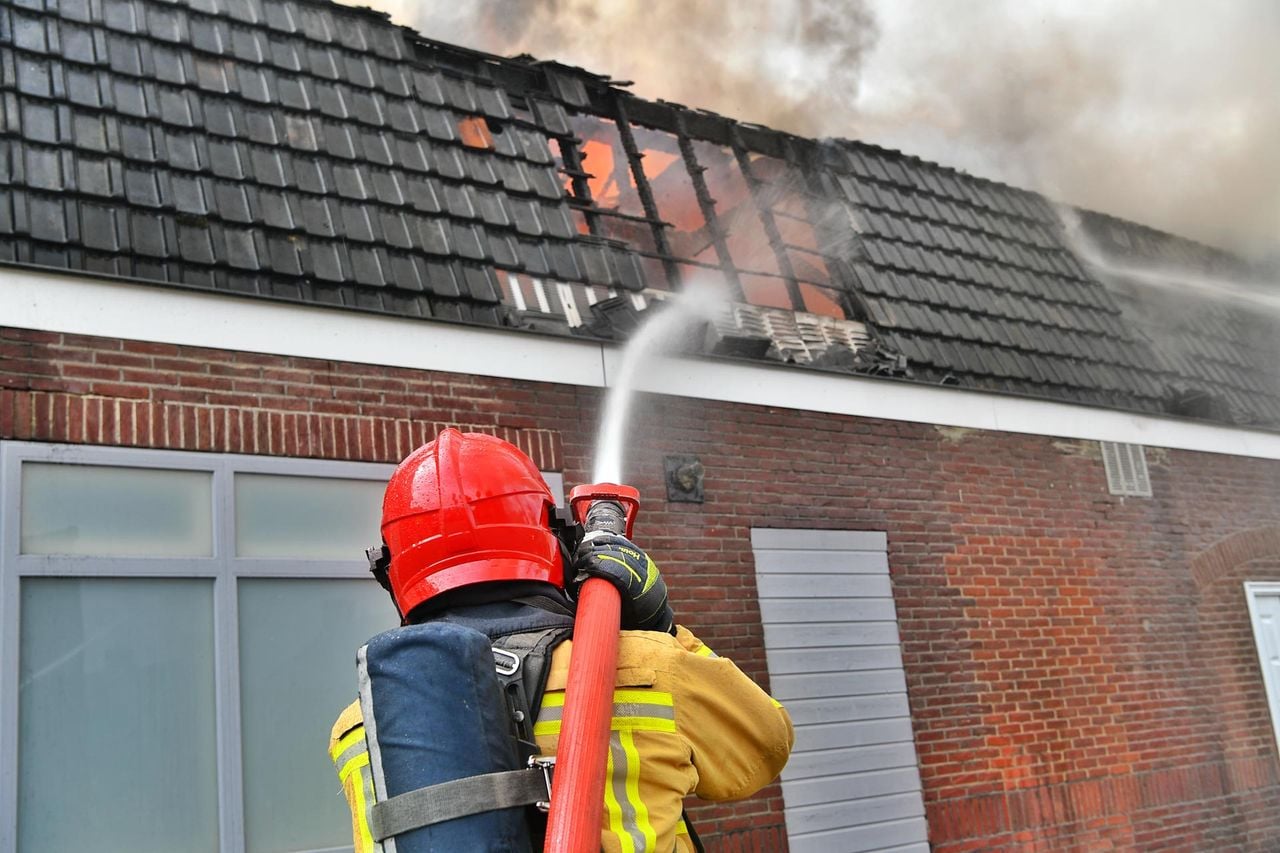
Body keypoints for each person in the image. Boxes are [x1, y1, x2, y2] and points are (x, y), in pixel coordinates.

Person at [329, 429, 793, 852]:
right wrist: (659, 627)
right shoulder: (646, 667)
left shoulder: (361, 725)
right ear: (557, 543)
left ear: (395, 574)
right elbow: (766, 745)